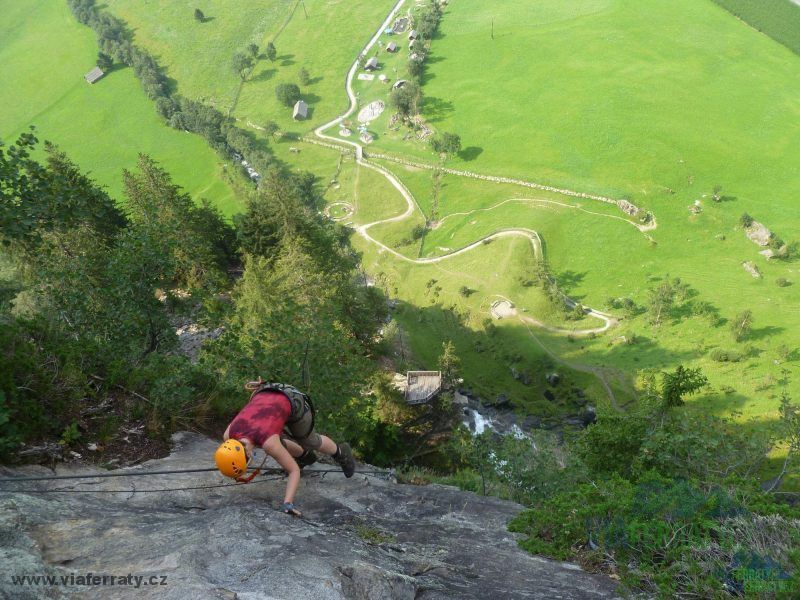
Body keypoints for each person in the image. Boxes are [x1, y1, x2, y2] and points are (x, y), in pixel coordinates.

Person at [214, 381, 355, 517]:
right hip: (267, 392)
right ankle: (305, 456)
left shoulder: (269, 443)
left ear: (248, 455)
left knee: (309, 441)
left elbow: (294, 471)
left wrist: (288, 503)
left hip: (292, 398)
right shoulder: (228, 434)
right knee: (275, 443)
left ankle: (340, 452)